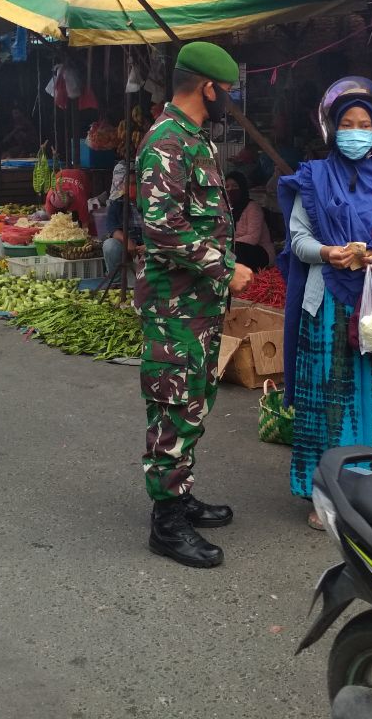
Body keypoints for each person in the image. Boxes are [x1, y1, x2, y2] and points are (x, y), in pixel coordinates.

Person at [279, 77, 372, 525]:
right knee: (330, 398)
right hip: (326, 308)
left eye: (364, 122)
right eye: (347, 122)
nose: (356, 130)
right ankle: (327, 495)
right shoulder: (314, 176)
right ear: (331, 127)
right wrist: (329, 253)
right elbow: (297, 239)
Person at [136, 41, 253, 569]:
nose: (229, 99)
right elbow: (162, 229)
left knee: (195, 401)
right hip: (175, 305)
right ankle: (166, 522)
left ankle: (179, 493)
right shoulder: (167, 141)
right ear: (207, 87)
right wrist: (228, 268)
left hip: (199, 304)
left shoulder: (194, 138)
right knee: (174, 402)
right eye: (226, 91)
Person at [226, 170, 274, 271]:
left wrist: (229, 244)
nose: (231, 190)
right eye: (227, 187)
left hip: (259, 251)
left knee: (236, 250)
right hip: (235, 249)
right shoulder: (225, 209)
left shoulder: (252, 207)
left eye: (235, 186)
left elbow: (253, 238)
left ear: (242, 187)